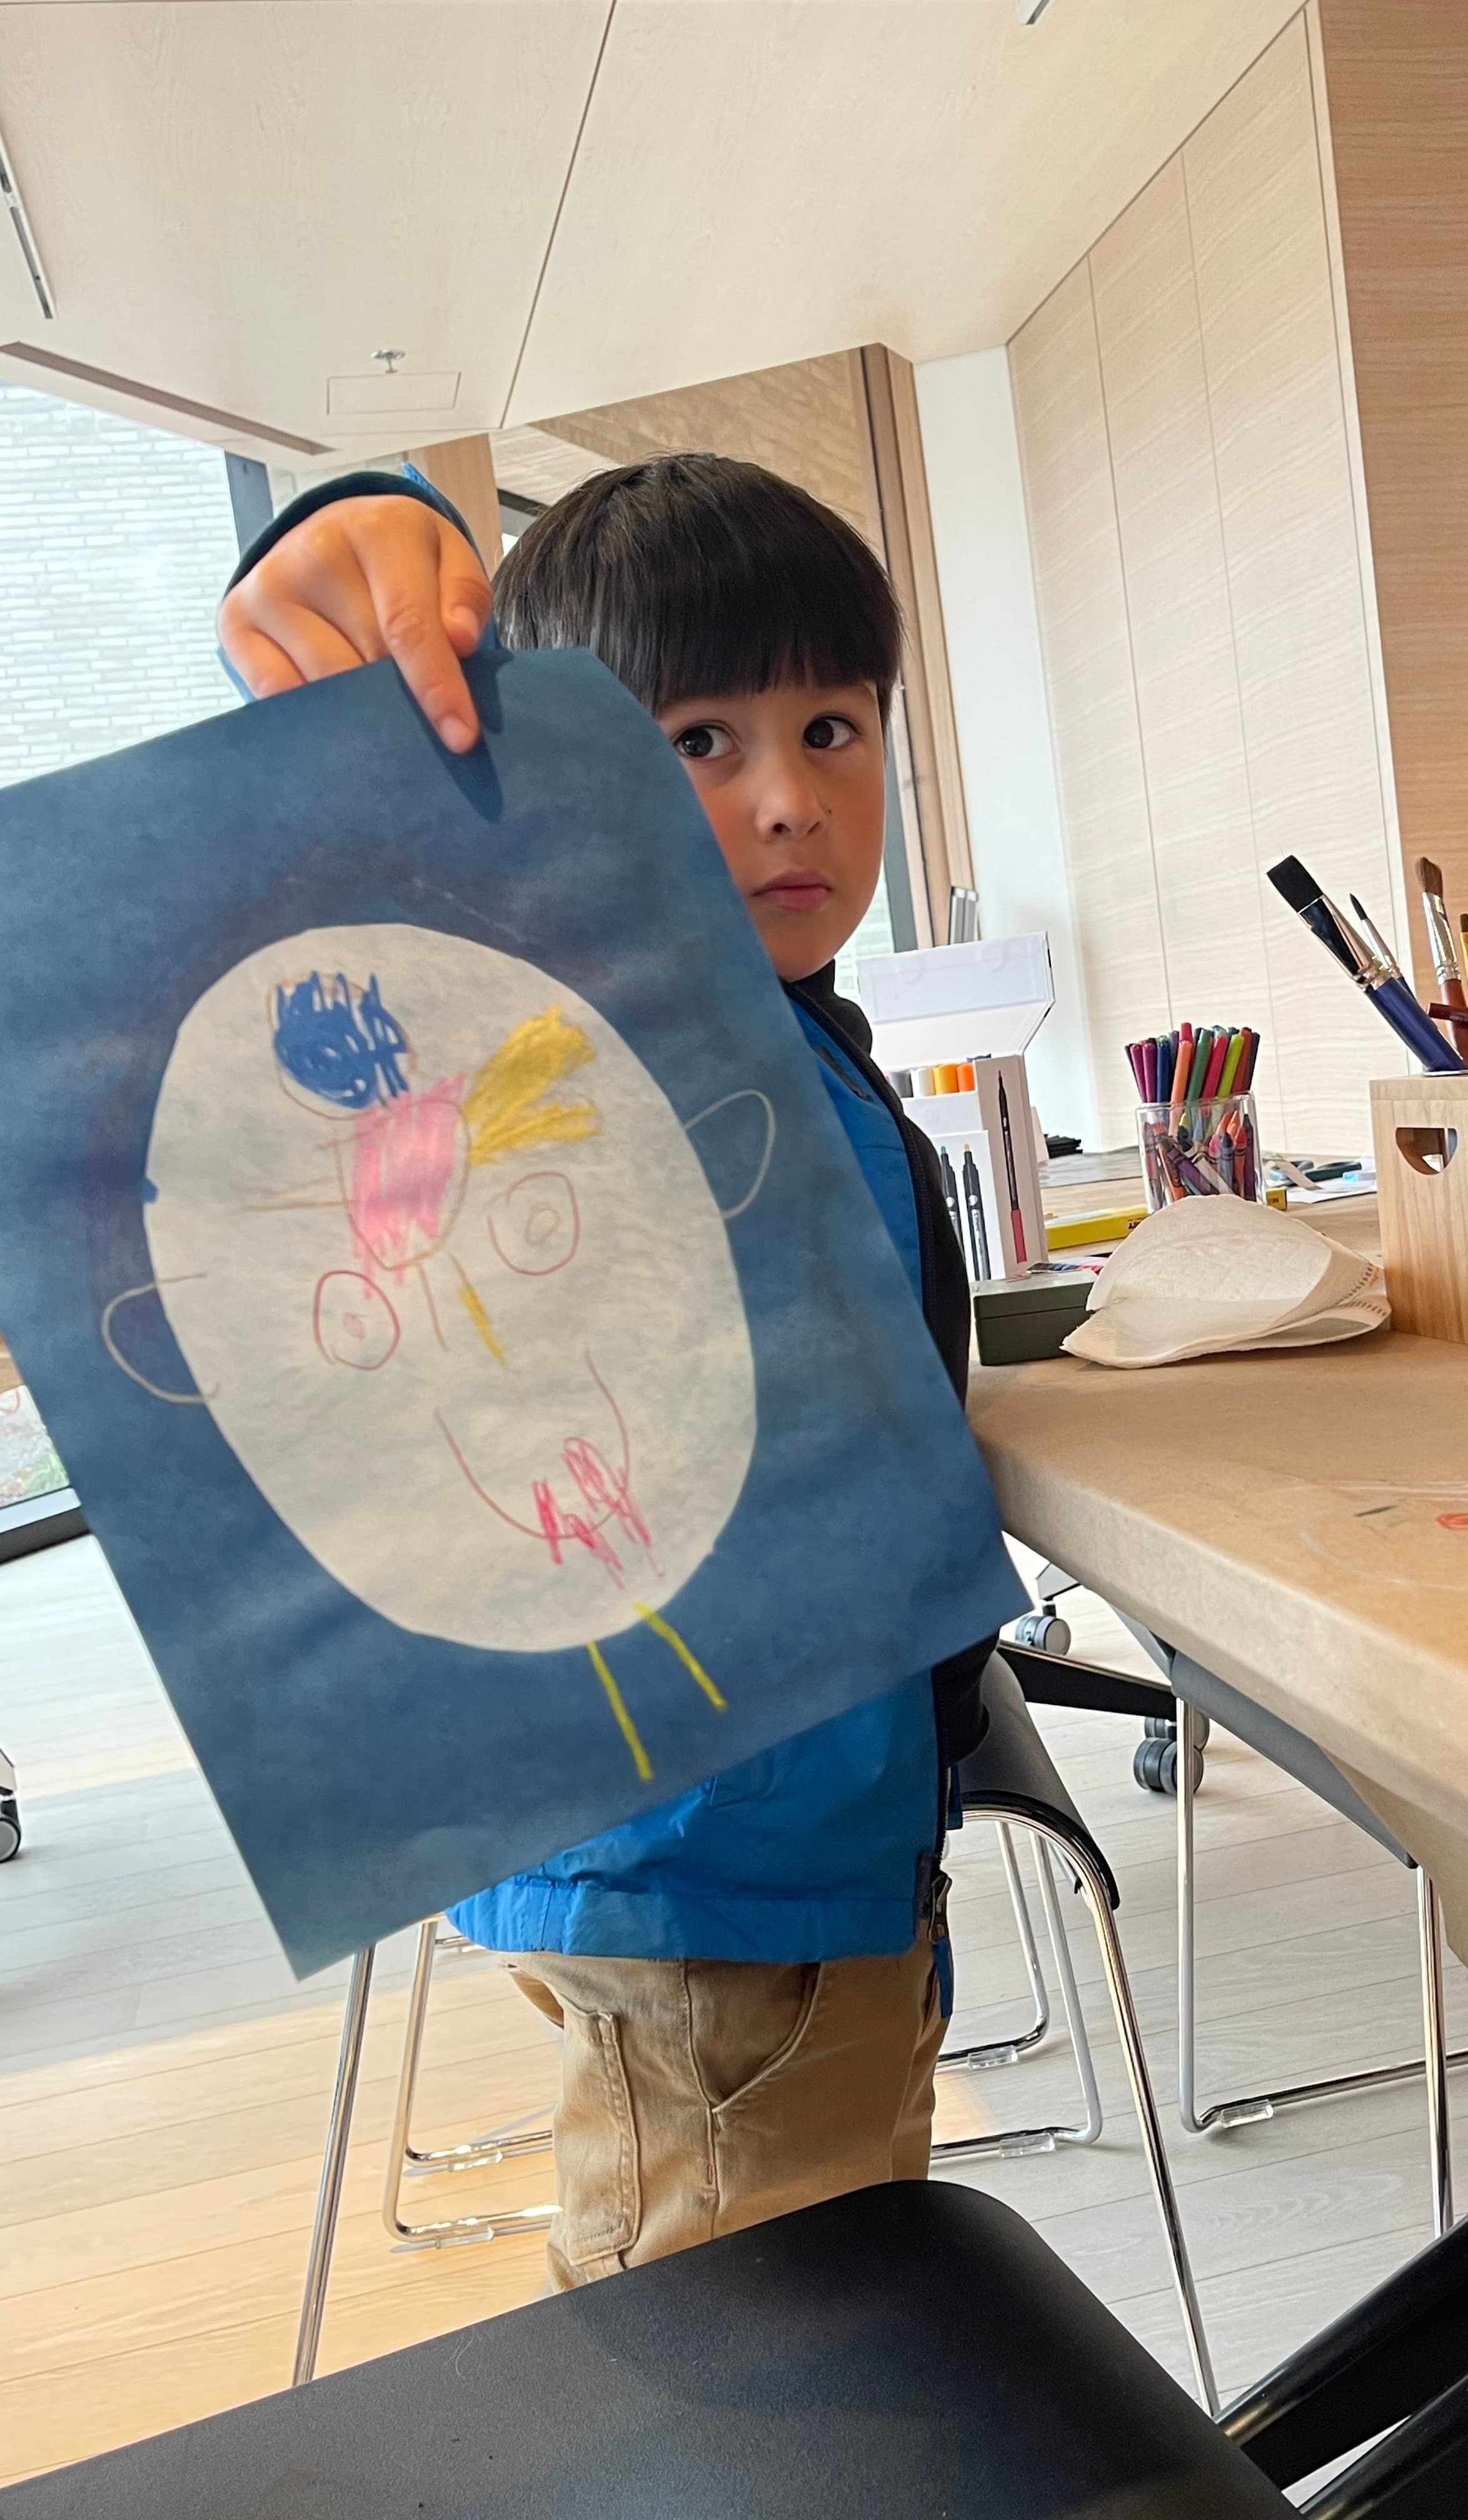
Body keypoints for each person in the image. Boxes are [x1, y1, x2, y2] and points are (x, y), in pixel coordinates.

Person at [218, 456, 1002, 2285]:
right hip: (722, 1880)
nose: (790, 800)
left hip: (791, 1847)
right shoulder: (603, 1026)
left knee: (822, 2296)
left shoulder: (795, 1027)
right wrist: (355, 548)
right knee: (754, 2359)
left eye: (832, 725)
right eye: (696, 746)